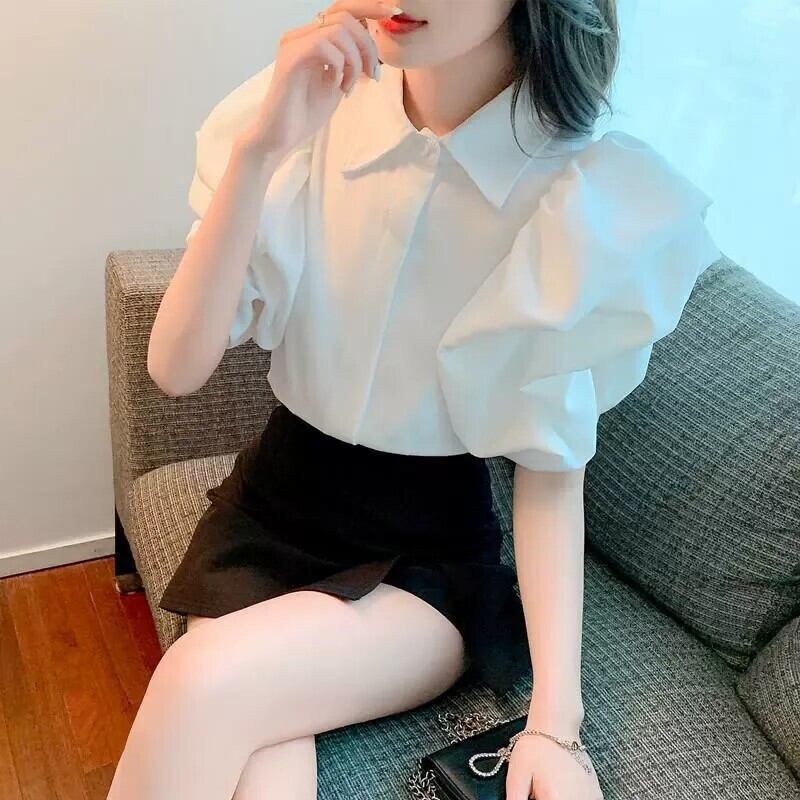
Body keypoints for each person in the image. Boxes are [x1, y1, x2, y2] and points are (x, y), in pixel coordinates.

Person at [108, 0, 721, 798]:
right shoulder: (312, 115)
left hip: (423, 567)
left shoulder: (574, 194)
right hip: (266, 516)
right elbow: (174, 368)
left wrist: (555, 727)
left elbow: (550, 474)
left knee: (202, 683)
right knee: (260, 764)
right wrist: (260, 151)